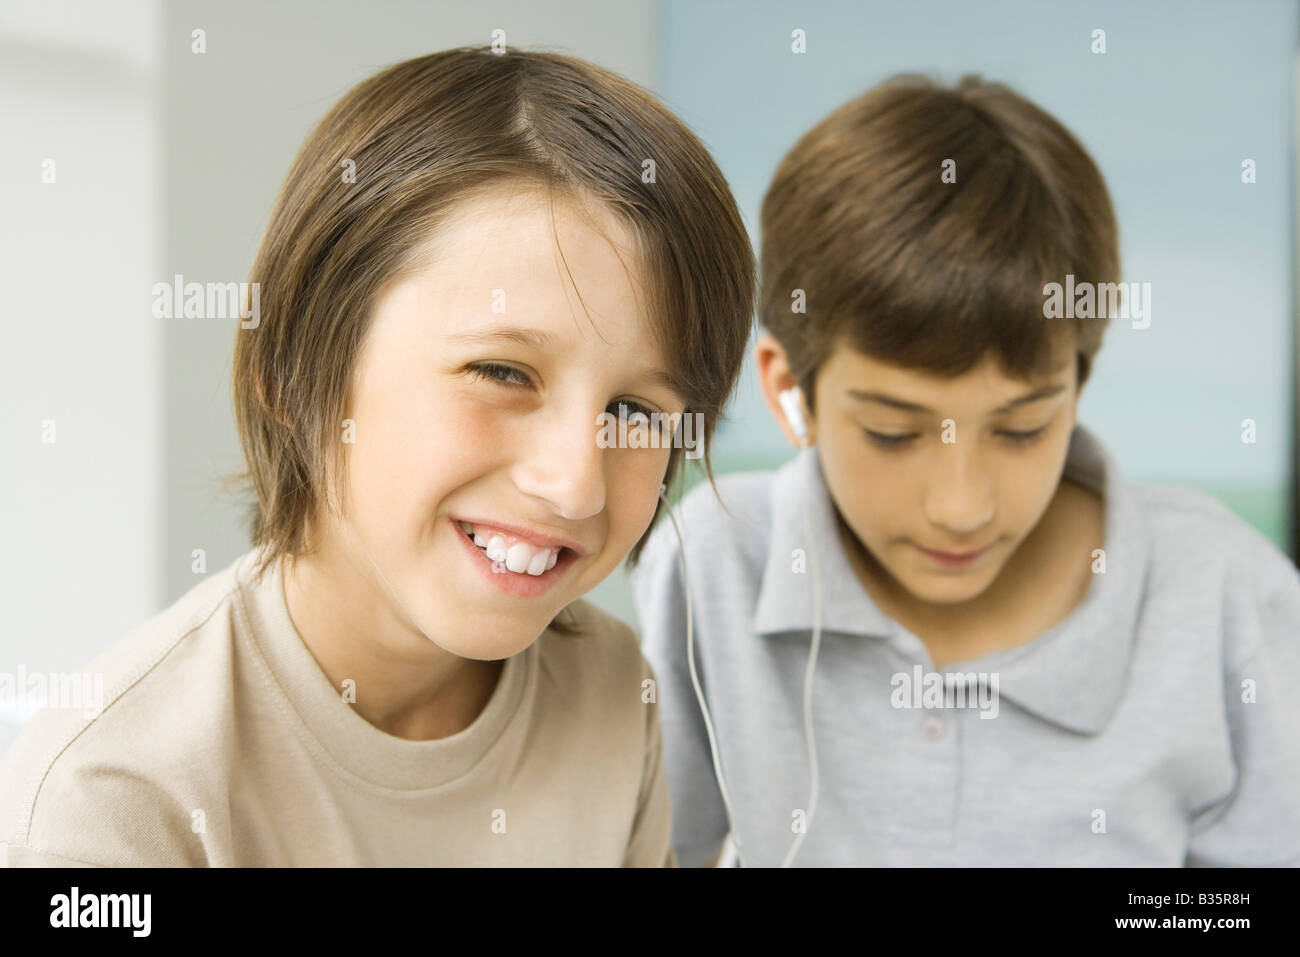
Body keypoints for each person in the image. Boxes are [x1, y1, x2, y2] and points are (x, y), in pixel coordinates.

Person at [0, 46, 755, 866]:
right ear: (295, 375)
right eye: (501, 372)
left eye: (635, 411)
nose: (574, 483)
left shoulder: (612, 692)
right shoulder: (116, 798)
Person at [630, 73, 1300, 867]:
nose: (960, 506)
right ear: (787, 390)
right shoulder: (712, 558)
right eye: (891, 432)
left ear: (1079, 384)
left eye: (1021, 429)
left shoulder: (1226, 590)